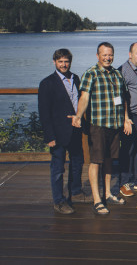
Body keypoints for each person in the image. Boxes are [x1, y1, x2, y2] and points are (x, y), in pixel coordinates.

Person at [71, 42, 132, 215]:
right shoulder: (91, 73)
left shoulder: (117, 74)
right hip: (97, 125)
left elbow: (123, 98)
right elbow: (84, 98)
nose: (107, 57)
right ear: (98, 56)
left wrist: (126, 118)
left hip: (115, 125)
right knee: (96, 161)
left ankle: (107, 193)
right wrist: (78, 115)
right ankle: (97, 199)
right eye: (104, 55)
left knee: (110, 160)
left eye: (110, 54)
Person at [38, 48, 84, 215]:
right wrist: (49, 136)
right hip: (57, 133)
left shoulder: (76, 78)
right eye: (60, 61)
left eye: (66, 61)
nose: (64, 64)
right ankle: (58, 201)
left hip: (76, 129)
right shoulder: (47, 83)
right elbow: (44, 112)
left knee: (77, 163)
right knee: (58, 169)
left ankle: (76, 192)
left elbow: (80, 102)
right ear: (54, 62)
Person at [118, 42, 137, 197]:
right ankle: (124, 183)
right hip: (129, 116)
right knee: (127, 150)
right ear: (130, 54)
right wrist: (125, 118)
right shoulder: (123, 71)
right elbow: (120, 96)